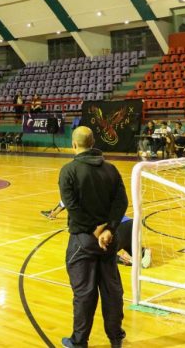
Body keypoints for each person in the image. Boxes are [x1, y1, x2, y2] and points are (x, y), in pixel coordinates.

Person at [59, 126, 128, 348]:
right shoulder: (111, 169)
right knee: (112, 290)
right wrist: (109, 229)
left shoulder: (68, 171)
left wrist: (94, 230)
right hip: (109, 240)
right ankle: (115, 338)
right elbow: (121, 203)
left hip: (83, 241)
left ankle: (79, 342)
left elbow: (73, 208)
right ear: (93, 142)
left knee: (84, 294)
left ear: (74, 144)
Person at [41, 203, 151, 269]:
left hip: (117, 229)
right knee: (128, 246)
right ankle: (143, 252)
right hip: (130, 224)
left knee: (98, 252)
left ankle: (124, 259)